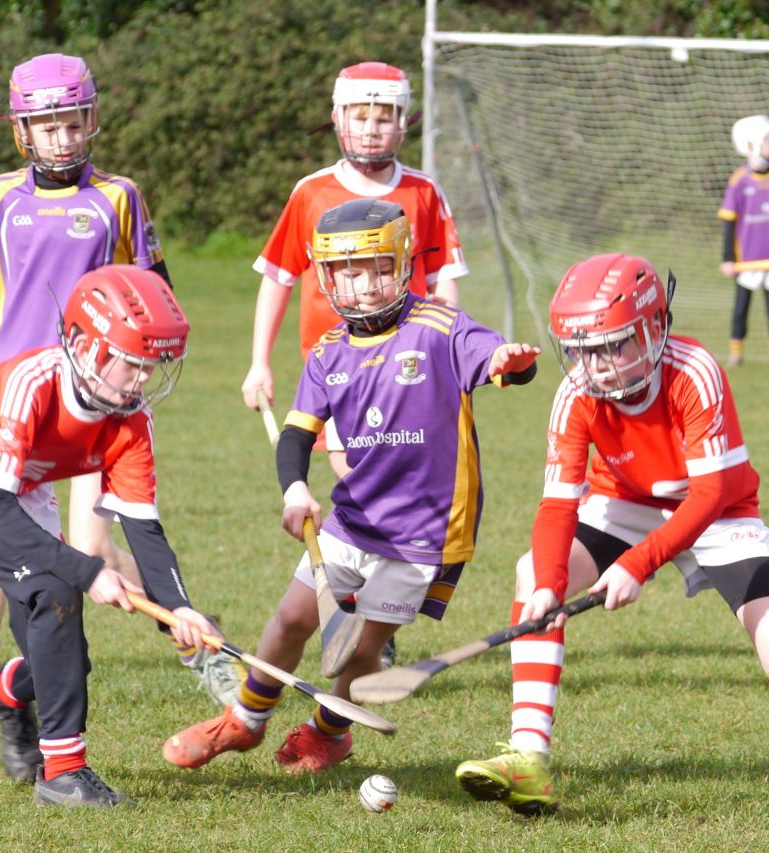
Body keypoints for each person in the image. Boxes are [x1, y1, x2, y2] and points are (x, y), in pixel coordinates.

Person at [0, 53, 240, 720]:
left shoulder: (118, 196)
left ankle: (199, 644)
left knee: (95, 545)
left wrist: (143, 356)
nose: (64, 138)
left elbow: (157, 286)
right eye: (48, 126)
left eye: (74, 123)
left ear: (91, 121)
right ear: (24, 131)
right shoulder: (0, 196)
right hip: (13, 396)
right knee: (0, 540)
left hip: (100, 391)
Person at [455, 253, 769, 817]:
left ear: (653, 327)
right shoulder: (576, 395)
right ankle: (528, 759)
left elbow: (711, 494)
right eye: (584, 350)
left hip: (717, 510)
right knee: (530, 571)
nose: (598, 365)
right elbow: (556, 505)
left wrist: (637, 564)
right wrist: (549, 583)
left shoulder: (693, 371)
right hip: (621, 504)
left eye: (614, 345)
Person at [163, 198, 539, 775]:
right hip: (354, 518)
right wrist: (294, 489)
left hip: (426, 533)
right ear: (328, 277)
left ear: (402, 262)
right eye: (347, 272)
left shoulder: (439, 327)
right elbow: (294, 436)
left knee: (364, 647)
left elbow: (492, 357)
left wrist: (508, 362)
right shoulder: (328, 353)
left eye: (377, 268)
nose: (363, 286)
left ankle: (328, 733)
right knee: (291, 620)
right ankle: (244, 721)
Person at [0, 265, 219, 807]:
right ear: (85, 346)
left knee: (63, 655)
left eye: (152, 367)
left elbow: (143, 527)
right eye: (133, 364)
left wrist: (181, 610)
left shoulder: (131, 421)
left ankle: (8, 691)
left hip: (17, 485)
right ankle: (63, 776)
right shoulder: (28, 383)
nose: (143, 380)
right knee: (57, 592)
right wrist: (89, 570)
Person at [241, 60, 468, 668]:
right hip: (337, 376)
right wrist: (259, 362)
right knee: (357, 479)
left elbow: (445, 282)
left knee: (381, 479)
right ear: (338, 119)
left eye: (384, 117)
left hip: (406, 375)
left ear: (404, 122)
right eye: (360, 116)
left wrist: (452, 352)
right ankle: (361, 610)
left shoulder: (422, 192)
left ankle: (369, 614)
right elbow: (279, 279)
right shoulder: (311, 191)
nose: (372, 129)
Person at [717, 114, 769, 372]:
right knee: (741, 308)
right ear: (752, 145)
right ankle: (735, 352)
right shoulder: (739, 181)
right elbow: (729, 224)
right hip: (747, 261)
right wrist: (727, 259)